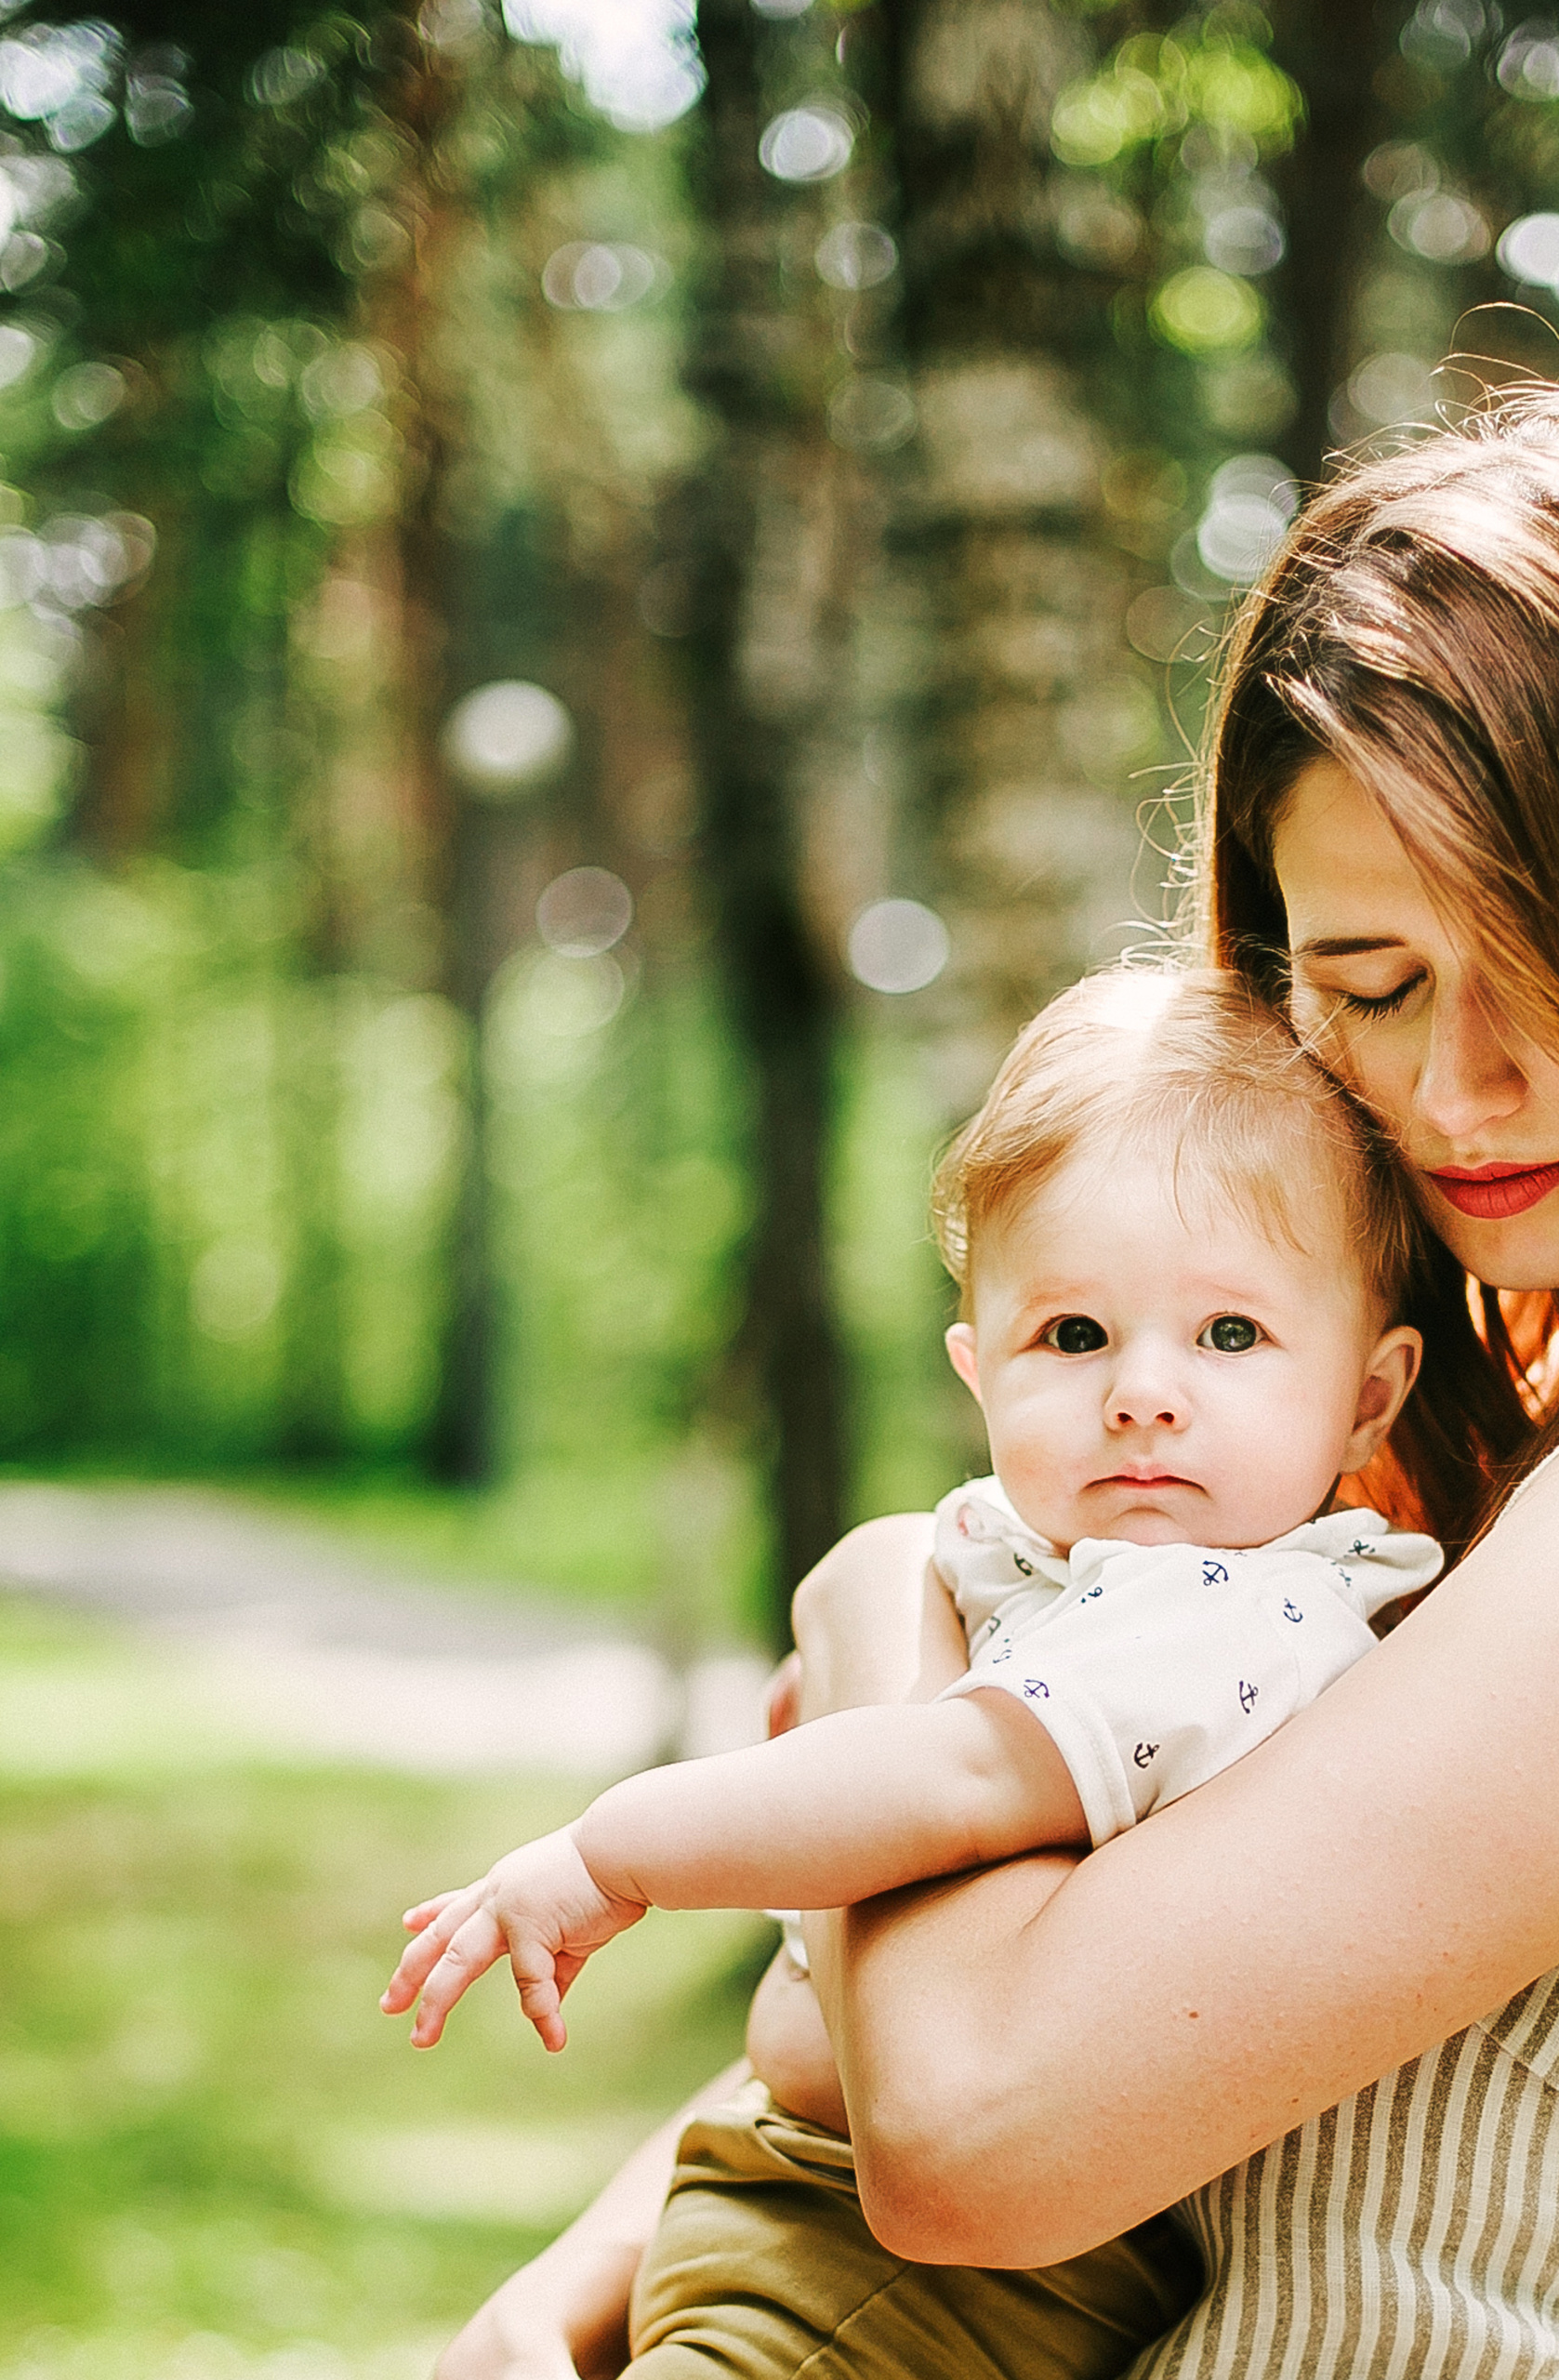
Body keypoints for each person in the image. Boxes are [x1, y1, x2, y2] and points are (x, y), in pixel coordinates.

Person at [439, 386, 1559, 2380]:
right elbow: (1046, 1982)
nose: (1453, 1087)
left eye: (1553, 963)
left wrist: (874, 1608)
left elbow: (981, 2123)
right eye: (1363, 986)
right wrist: (561, 2293)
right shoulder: (1474, 1450)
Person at [394, 969, 1440, 2374]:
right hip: (802, 2214)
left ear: (1369, 1395)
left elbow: (950, 1767)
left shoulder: (1239, 1616)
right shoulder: (1057, 1562)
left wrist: (617, 1851)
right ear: (976, 1370)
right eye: (1073, 1336)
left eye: (1230, 1334)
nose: (1143, 1388)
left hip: (906, 2285)